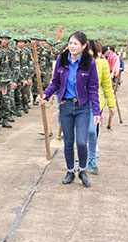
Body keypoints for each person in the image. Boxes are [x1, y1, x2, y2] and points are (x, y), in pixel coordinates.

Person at [40, 31, 101, 187]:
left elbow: (93, 87)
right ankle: (69, 171)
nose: (72, 46)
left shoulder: (89, 62)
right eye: (70, 43)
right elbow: (55, 83)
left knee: (81, 142)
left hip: (83, 107)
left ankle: (82, 170)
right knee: (68, 142)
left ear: (84, 45)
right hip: (66, 106)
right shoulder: (62, 60)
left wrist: (96, 111)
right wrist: (45, 95)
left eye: (75, 44)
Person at [86, 40, 116, 175]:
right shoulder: (75, 63)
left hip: (96, 102)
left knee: (92, 131)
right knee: (81, 134)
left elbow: (107, 86)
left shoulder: (102, 63)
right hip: (79, 103)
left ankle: (91, 157)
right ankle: (83, 155)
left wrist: (111, 104)